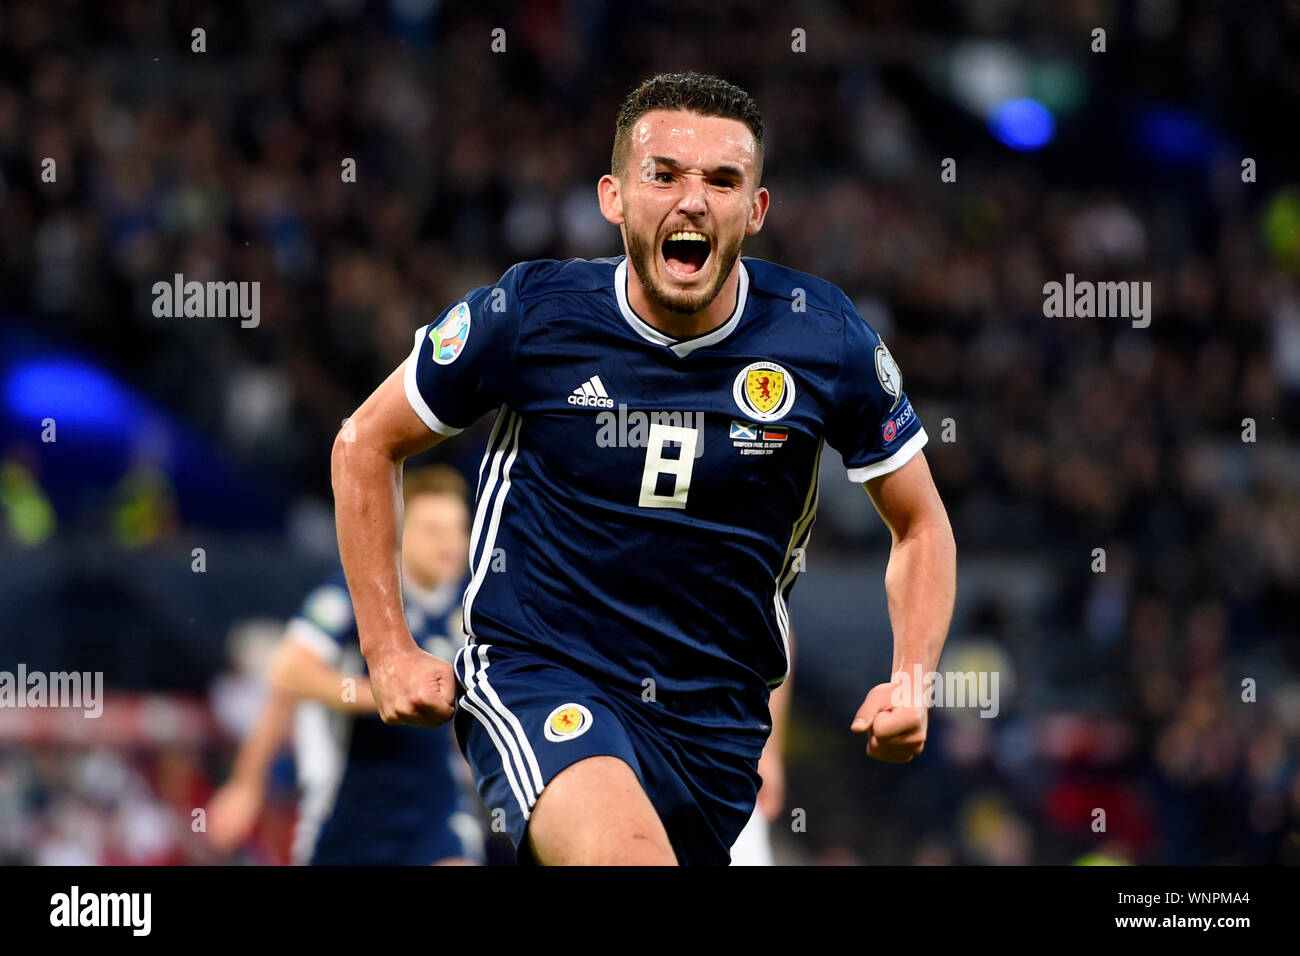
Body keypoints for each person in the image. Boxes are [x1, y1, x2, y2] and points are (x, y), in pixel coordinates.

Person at [332, 72, 957, 865]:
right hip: (544, 675)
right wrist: (386, 650)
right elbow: (363, 443)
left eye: (723, 180)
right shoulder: (531, 315)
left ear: (755, 210)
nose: (691, 201)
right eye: (663, 175)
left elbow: (921, 524)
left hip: (717, 728)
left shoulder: (824, 340)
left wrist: (914, 679)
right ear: (614, 197)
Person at [208, 466, 484, 865]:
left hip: (434, 804)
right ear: (400, 532)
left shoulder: (472, 600)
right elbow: (288, 672)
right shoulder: (361, 591)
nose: (450, 545)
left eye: (458, 529)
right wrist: (247, 784)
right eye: (433, 531)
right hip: (347, 805)